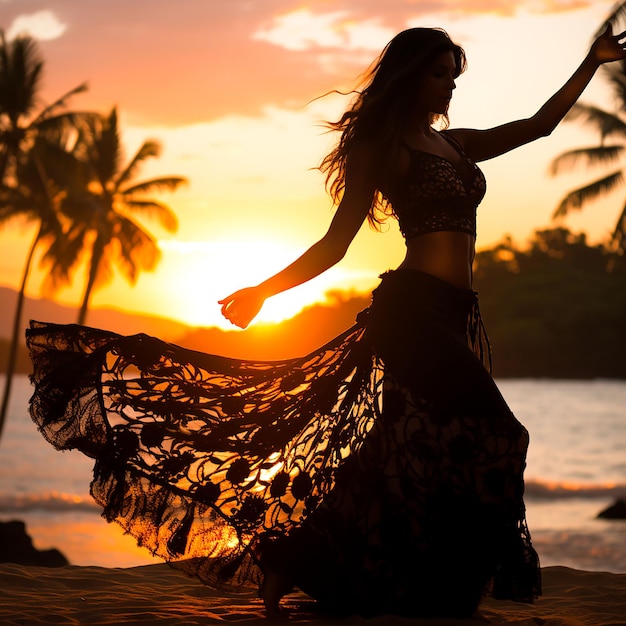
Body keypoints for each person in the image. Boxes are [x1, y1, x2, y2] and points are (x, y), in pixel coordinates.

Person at [26, 24, 626, 621]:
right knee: (499, 434)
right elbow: (336, 243)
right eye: (438, 73)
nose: (448, 87)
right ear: (409, 74)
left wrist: (591, 61)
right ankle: (379, 568)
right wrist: (264, 290)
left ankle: (296, 560)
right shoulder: (384, 147)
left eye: (454, 75)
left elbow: (537, 125)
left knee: (394, 452)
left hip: (454, 315)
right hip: (412, 311)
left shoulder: (456, 145)